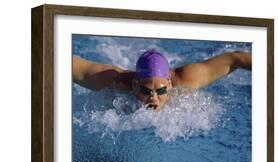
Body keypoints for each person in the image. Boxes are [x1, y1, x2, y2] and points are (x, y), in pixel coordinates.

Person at [73, 48, 251, 111]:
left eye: (161, 90)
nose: (153, 98)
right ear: (135, 85)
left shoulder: (188, 79)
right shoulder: (114, 81)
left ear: (170, 84)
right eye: (146, 90)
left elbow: (235, 58)